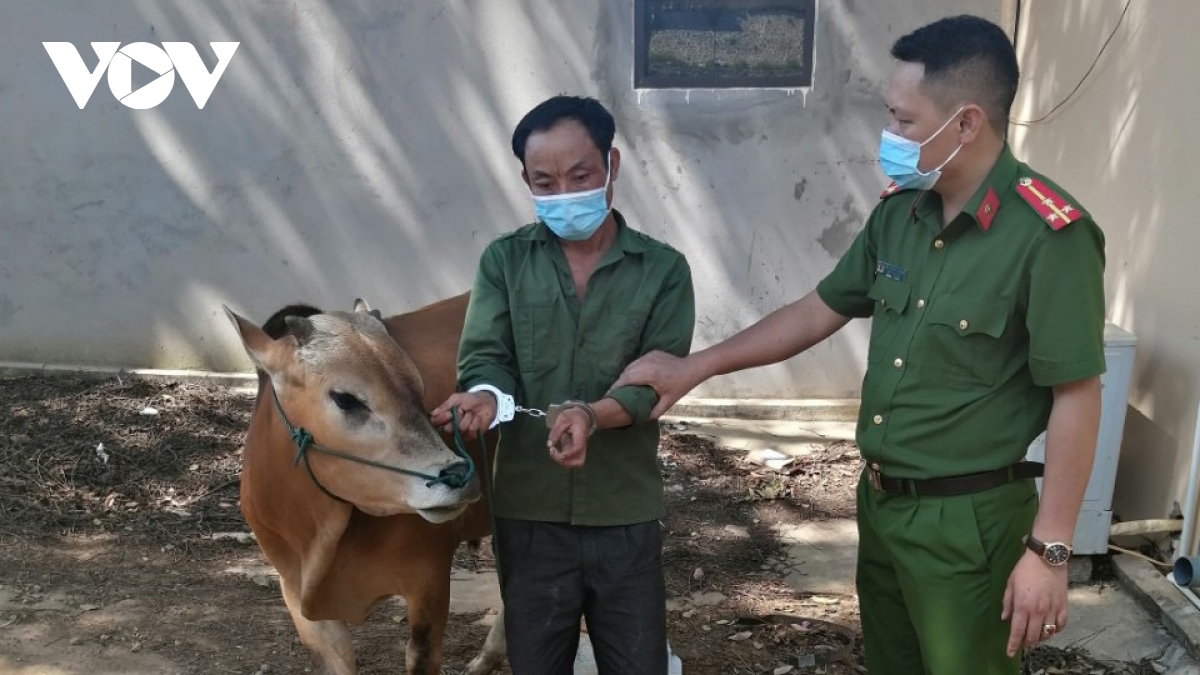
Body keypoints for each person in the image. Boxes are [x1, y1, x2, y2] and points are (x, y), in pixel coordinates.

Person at [612, 15, 1105, 675]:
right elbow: (820, 308)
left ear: (964, 124)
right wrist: (697, 365)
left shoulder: (1049, 236)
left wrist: (1051, 550)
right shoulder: (901, 213)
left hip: (971, 527)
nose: (890, 136)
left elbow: (1077, 392)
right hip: (882, 508)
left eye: (904, 121)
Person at [430, 95, 695, 674]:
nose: (563, 194)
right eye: (544, 182)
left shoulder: (663, 270)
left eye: (580, 176)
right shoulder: (504, 262)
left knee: (638, 664)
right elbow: (487, 357)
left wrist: (593, 415)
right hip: (529, 514)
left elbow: (656, 383)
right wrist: (483, 398)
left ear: (612, 166)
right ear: (525, 179)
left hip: (622, 512)